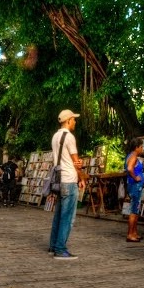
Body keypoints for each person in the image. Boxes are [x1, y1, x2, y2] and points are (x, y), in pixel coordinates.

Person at [48, 109, 85, 260]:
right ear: (68, 120)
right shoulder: (69, 137)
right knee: (67, 217)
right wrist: (82, 177)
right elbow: (76, 162)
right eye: (73, 119)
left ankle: (53, 245)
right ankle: (60, 249)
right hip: (69, 179)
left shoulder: (55, 136)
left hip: (59, 179)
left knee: (58, 215)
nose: (75, 122)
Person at [124, 137, 144, 242]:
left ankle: (134, 233)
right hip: (135, 186)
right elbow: (130, 168)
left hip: (133, 186)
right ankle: (130, 234)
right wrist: (136, 177)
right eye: (141, 147)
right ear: (136, 147)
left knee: (136, 210)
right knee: (134, 210)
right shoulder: (134, 157)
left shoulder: (130, 155)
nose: (142, 149)